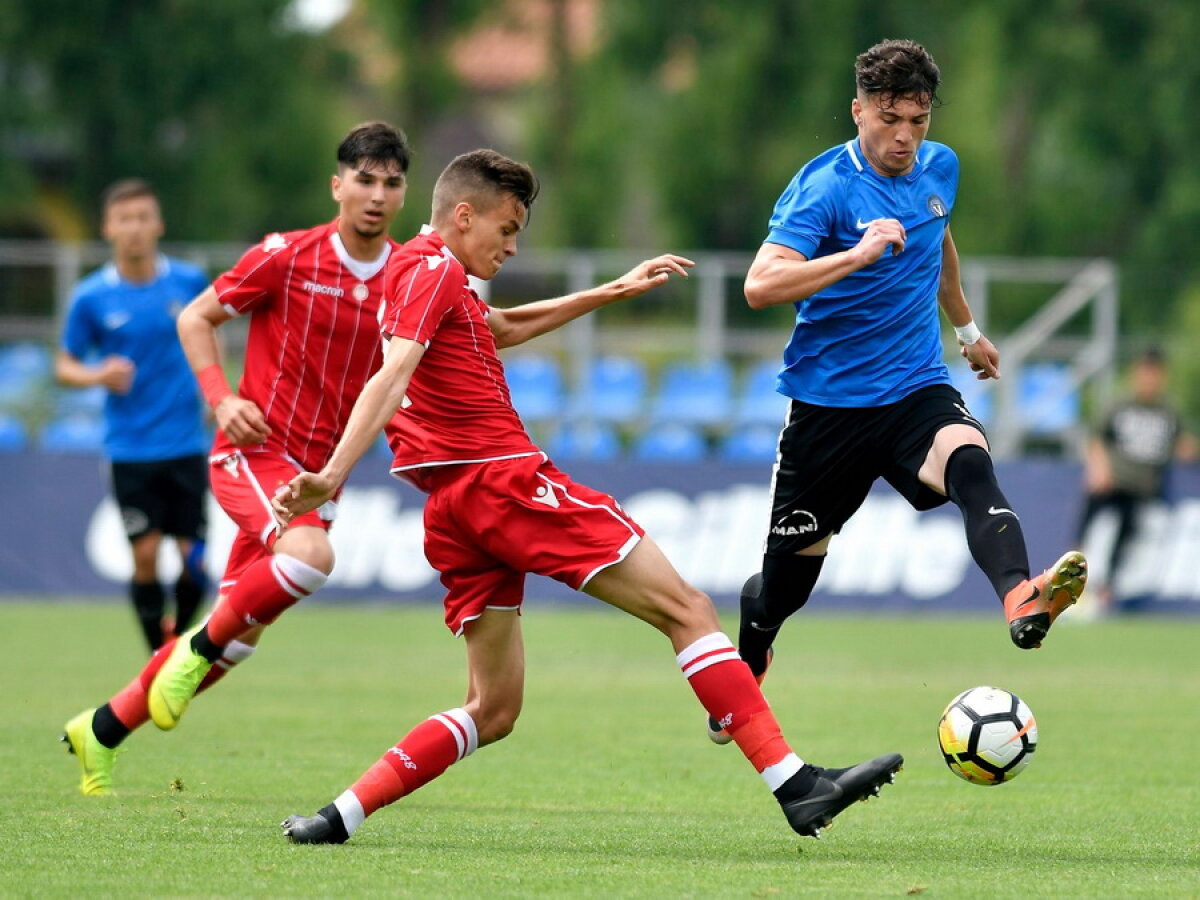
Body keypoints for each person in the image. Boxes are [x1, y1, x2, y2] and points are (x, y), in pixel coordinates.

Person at [268, 149, 902, 846]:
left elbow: (497, 329)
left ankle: (338, 817)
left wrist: (607, 293)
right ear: (462, 215)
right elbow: (390, 377)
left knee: (494, 706)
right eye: (506, 230)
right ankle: (795, 784)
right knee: (688, 609)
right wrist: (331, 475)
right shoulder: (434, 268)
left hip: (452, 509)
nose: (512, 247)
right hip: (503, 482)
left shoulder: (415, 271)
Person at [710, 39, 1089, 744]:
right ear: (859, 112)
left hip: (915, 388)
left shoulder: (939, 168)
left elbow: (937, 237)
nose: (905, 136)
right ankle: (753, 649)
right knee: (783, 587)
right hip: (827, 411)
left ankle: (1019, 595)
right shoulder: (824, 187)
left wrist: (968, 330)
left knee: (972, 463)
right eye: (889, 118)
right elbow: (760, 285)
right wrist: (852, 256)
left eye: (917, 119)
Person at [60, 121, 413, 797]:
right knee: (307, 562)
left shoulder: (407, 275)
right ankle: (190, 648)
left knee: (240, 639)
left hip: (318, 479)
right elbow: (195, 318)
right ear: (337, 185)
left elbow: (477, 335)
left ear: (402, 194)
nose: (376, 194)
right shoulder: (286, 255)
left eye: (390, 183)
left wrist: (595, 297)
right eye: (363, 180)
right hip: (254, 452)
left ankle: (100, 730)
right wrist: (221, 401)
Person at [56, 179, 212, 653]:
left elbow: (211, 330)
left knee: (195, 564)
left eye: (144, 217)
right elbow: (64, 364)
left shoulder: (187, 282)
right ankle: (155, 659)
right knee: (145, 557)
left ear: (158, 224)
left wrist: (213, 389)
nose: (136, 228)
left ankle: (176, 645)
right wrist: (97, 374)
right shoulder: (91, 297)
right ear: (108, 228)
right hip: (130, 448)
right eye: (125, 219)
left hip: (187, 443)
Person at [1075, 346, 1196, 614]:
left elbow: (1183, 445)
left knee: (1124, 541)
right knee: (1085, 530)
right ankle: (1067, 582)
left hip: (1141, 489)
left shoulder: (1168, 411)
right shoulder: (1121, 405)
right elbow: (1097, 437)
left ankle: (1104, 594)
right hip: (1111, 481)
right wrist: (1098, 468)